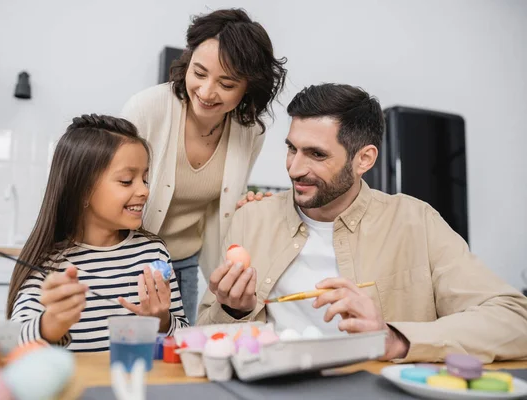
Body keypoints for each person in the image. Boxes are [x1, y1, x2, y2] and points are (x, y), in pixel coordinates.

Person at [197, 83, 527, 362]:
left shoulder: (415, 221)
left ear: (364, 159)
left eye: (317, 154)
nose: (295, 168)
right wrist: (234, 312)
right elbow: (203, 338)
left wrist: (395, 339)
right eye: (291, 149)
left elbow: (515, 318)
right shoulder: (251, 219)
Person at [121, 8, 287, 323]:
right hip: (128, 260)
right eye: (199, 73)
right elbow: (111, 186)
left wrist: (247, 208)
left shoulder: (250, 132)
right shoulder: (146, 109)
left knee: (177, 351)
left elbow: (220, 207)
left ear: (248, 87)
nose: (207, 92)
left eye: (226, 84)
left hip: (184, 262)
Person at [7, 115, 188, 352]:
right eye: (126, 181)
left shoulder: (153, 253)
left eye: (144, 178)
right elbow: (11, 346)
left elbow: (185, 339)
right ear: (81, 190)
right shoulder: (50, 264)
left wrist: (162, 321)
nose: (144, 190)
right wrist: (52, 323)